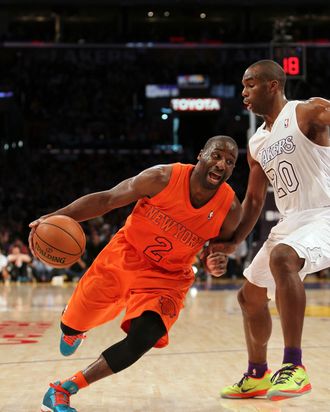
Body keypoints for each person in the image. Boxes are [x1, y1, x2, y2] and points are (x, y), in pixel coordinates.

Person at [29, 135, 242, 412]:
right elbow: (107, 199)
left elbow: (213, 251)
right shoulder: (162, 177)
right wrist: (53, 217)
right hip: (125, 255)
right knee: (71, 325)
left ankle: (64, 389)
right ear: (201, 154)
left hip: (168, 277)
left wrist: (215, 261)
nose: (221, 164)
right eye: (216, 156)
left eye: (230, 162)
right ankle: (74, 330)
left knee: (144, 337)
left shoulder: (230, 210)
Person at [212, 60, 330, 401]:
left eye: (250, 85)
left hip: (324, 214)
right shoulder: (257, 142)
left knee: (283, 258)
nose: (243, 93)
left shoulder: (308, 112)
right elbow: (252, 200)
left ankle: (294, 366)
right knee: (249, 297)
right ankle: (256, 374)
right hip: (291, 221)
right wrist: (232, 242)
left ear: (272, 85)